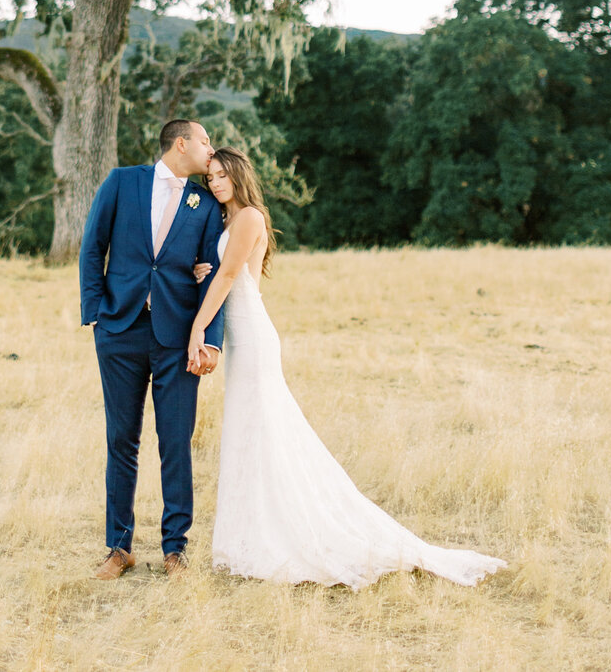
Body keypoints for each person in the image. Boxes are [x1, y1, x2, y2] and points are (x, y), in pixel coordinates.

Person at [188, 147, 508, 591]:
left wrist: (198, 328)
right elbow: (229, 273)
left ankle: (283, 536)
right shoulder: (228, 222)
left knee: (263, 430)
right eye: (211, 178)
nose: (215, 184)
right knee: (249, 432)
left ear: (239, 175)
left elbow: (230, 280)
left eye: (222, 175)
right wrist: (208, 270)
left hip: (254, 337)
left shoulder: (249, 218)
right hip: (242, 339)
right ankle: (250, 536)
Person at [79, 119, 225, 580]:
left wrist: (212, 340)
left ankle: (175, 549)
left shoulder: (205, 203)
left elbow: (215, 274)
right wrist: (95, 313)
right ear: (181, 144)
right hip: (119, 331)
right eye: (205, 141)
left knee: (176, 442)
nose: (211, 149)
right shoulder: (123, 182)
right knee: (121, 440)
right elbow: (92, 246)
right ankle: (118, 548)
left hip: (178, 337)